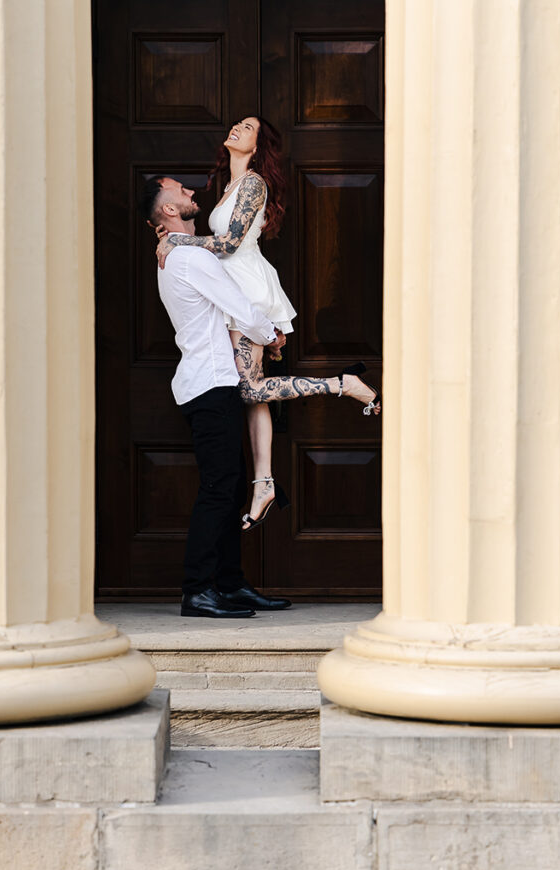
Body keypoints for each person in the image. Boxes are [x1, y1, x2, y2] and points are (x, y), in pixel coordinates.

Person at [155, 116, 380, 531]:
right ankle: (264, 482)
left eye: (249, 127)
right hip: (234, 290)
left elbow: (228, 244)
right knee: (252, 395)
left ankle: (342, 384)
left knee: (248, 388)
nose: (239, 127)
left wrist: (176, 238)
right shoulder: (228, 188)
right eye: (239, 123)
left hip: (248, 292)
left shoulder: (253, 183)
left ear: (258, 147)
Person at [138, 175, 291, 618]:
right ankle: (198, 590)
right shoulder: (189, 261)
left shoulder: (178, 254)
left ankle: (229, 584)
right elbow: (242, 309)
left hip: (210, 383)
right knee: (219, 489)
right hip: (210, 384)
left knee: (227, 484)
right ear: (167, 210)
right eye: (180, 191)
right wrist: (273, 335)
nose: (190, 193)